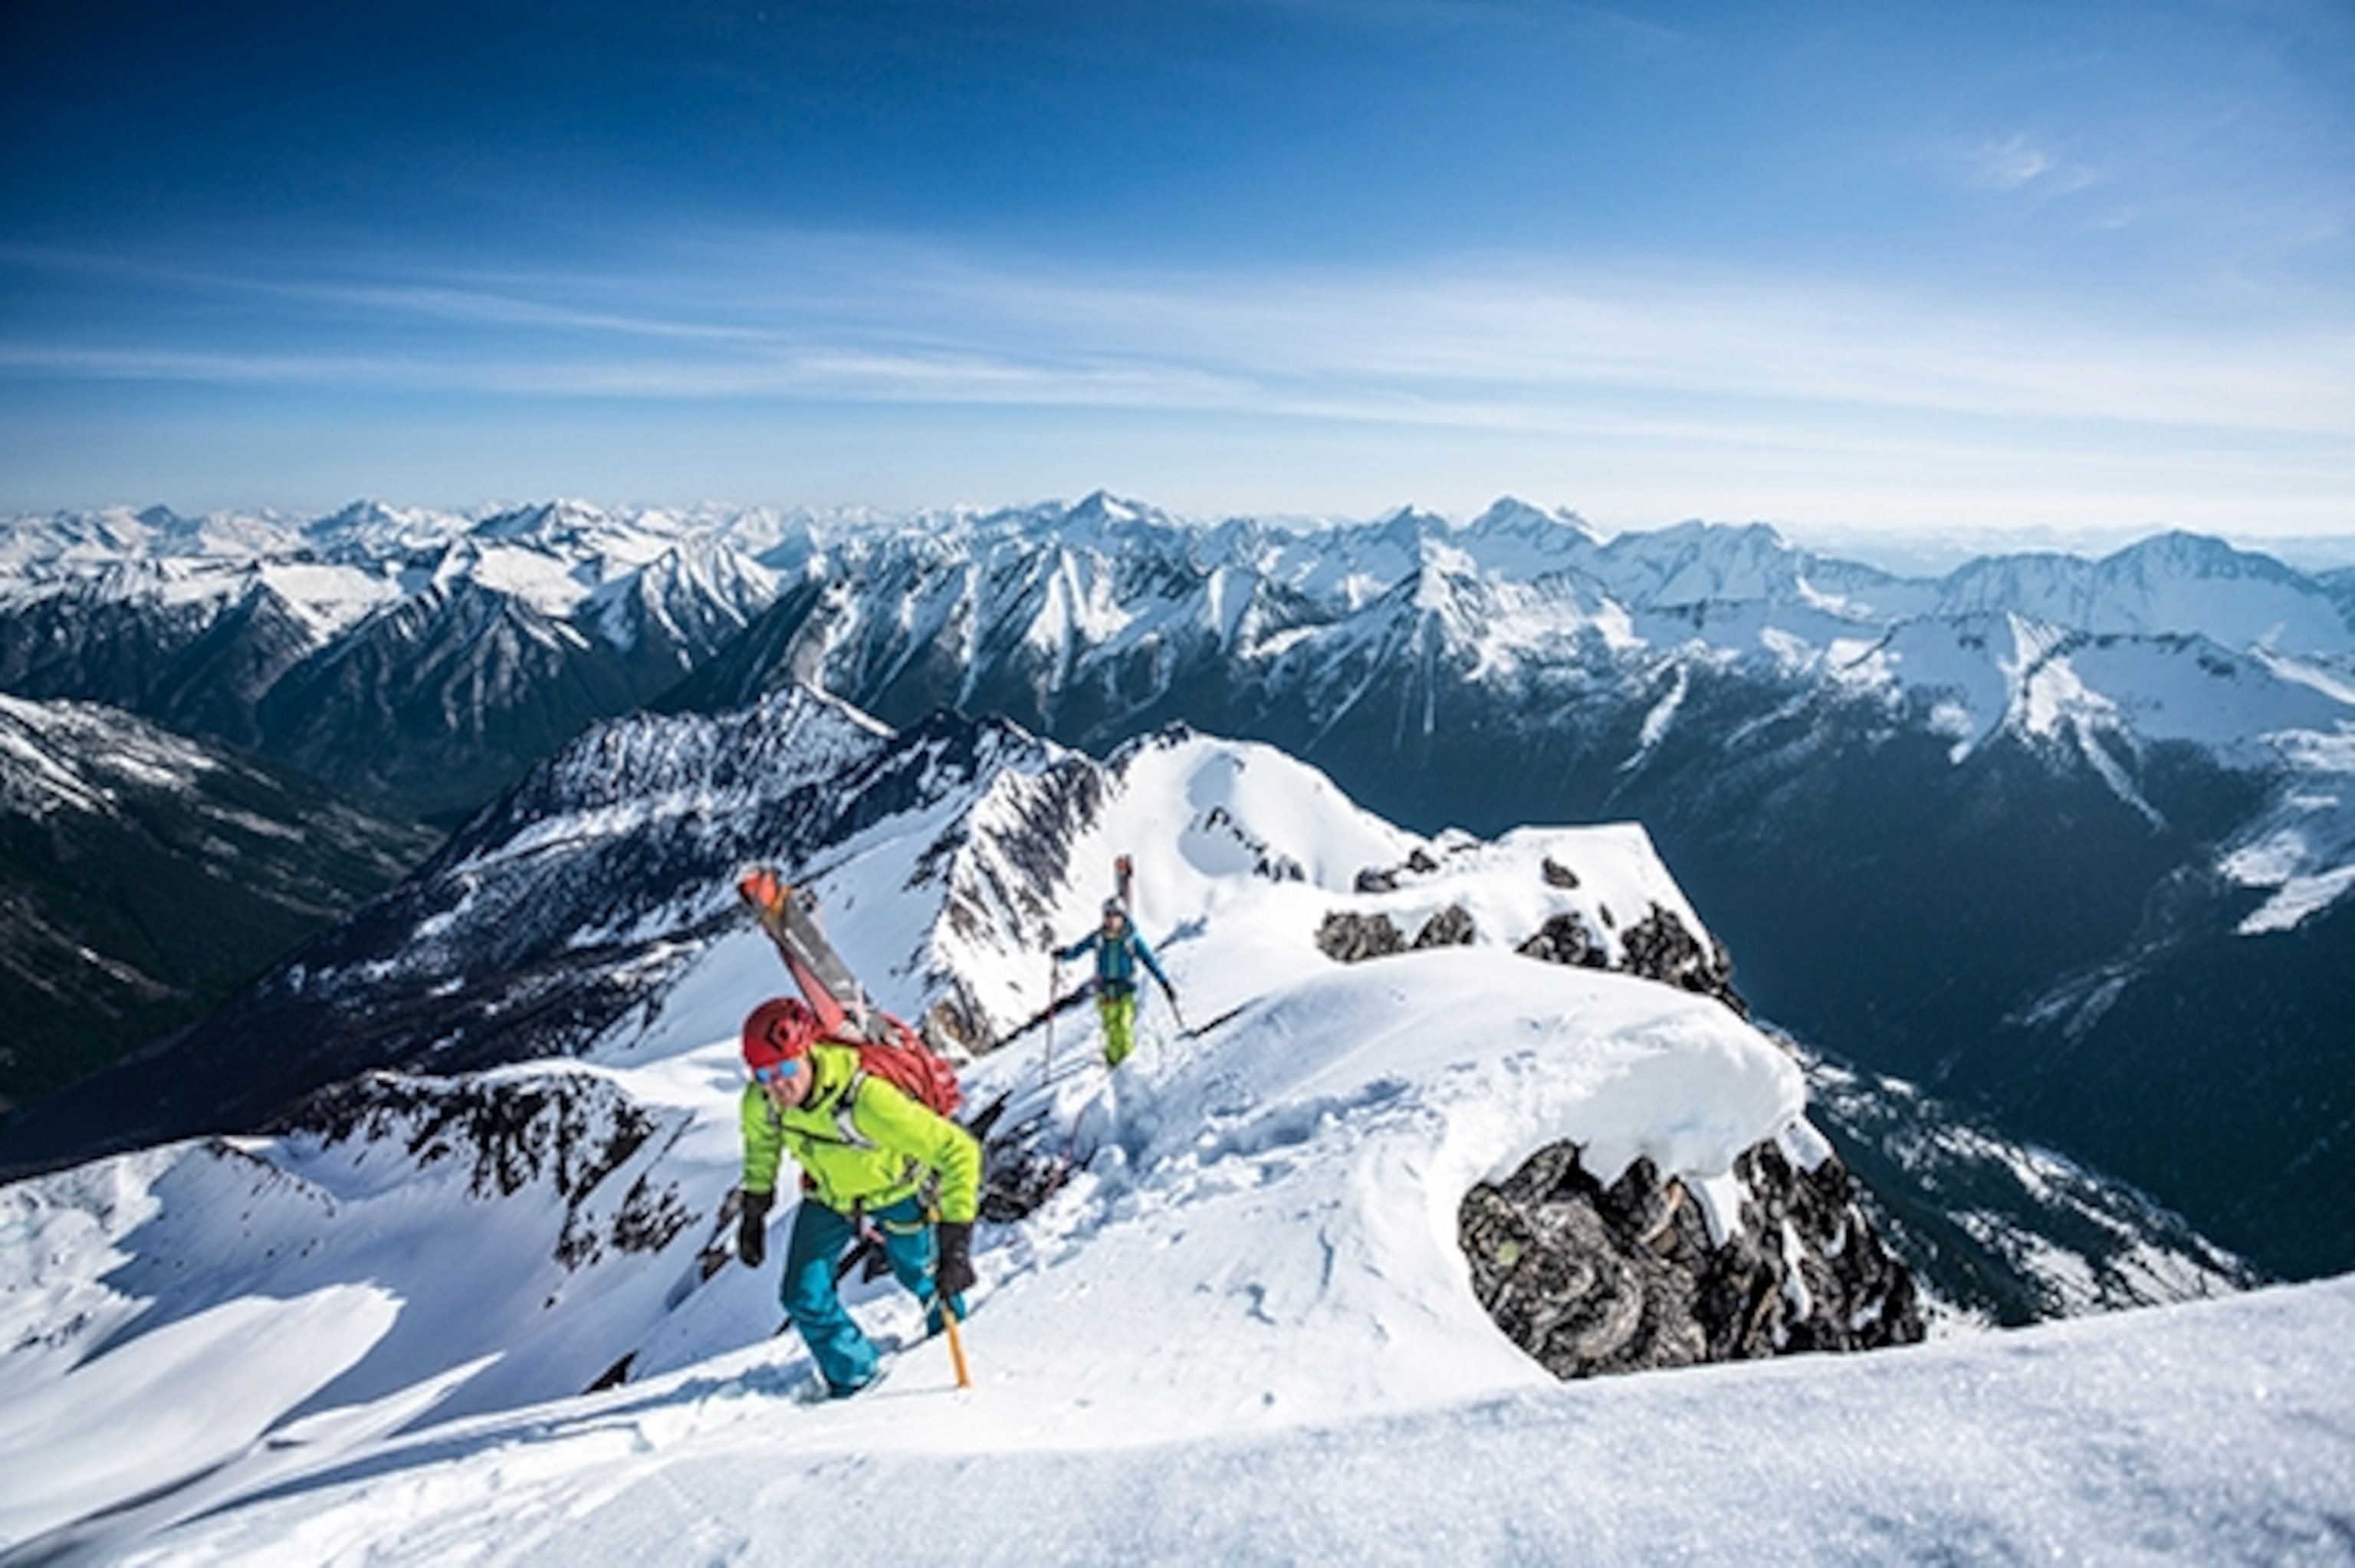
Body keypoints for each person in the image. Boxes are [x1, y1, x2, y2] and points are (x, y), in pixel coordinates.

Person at [735, 996, 981, 1398]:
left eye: (785, 1069)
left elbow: (959, 1151)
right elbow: (761, 1148)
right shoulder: (762, 1103)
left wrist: (955, 1244)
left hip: (897, 1189)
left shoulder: (867, 1101)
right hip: (830, 1196)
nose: (776, 1084)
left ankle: (949, 1346)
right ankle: (853, 1377)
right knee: (802, 1294)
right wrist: (754, 1208)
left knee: (923, 1276)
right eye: (763, 1074)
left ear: (808, 1052)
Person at [1056, 897, 1178, 1068]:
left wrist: (1164, 982)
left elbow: (1149, 961)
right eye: (1108, 915)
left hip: (1125, 989)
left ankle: (1127, 1062)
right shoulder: (1098, 938)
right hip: (1104, 991)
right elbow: (1078, 950)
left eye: (1115, 916)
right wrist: (1065, 955)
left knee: (1124, 1025)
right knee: (1111, 1028)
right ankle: (1114, 1062)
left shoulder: (1131, 940)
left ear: (1123, 917)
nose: (1111, 920)